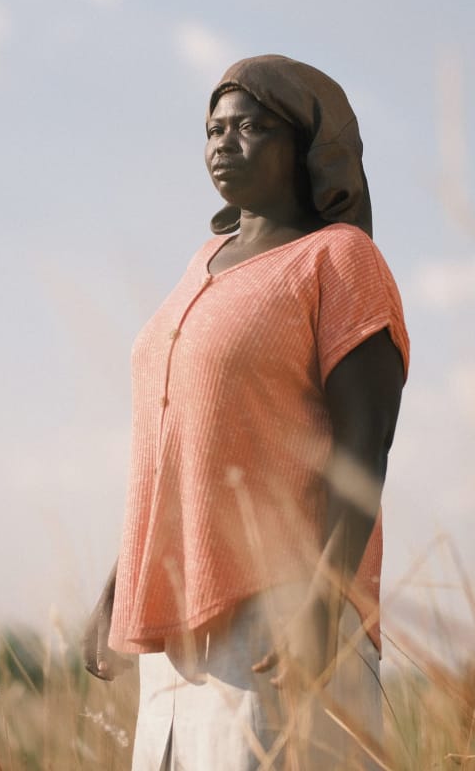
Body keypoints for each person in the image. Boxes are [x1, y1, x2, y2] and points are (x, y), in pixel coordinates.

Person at [82, 54, 409, 770]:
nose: (223, 143)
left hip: (281, 612)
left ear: (308, 146)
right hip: (173, 623)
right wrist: (124, 576)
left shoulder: (339, 259)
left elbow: (366, 440)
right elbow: (184, 444)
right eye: (212, 128)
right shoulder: (201, 260)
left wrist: (322, 602)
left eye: (251, 126)